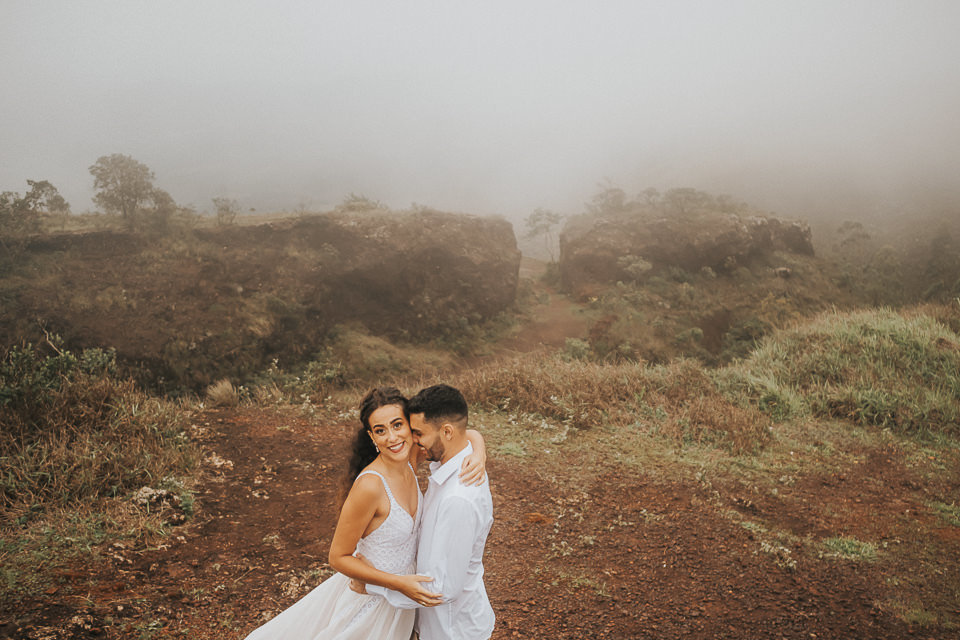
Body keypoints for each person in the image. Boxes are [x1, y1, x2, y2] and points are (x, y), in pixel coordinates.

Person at [243, 386, 486, 640]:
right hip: (372, 603)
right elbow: (338, 557)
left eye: (397, 425)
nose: (392, 438)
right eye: (380, 431)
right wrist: (397, 584)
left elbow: (459, 432)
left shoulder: (410, 457)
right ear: (372, 437)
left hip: (403, 603)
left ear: (411, 428)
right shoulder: (370, 486)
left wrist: (479, 451)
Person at [362, 384, 495, 640]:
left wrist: (373, 586)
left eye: (418, 433)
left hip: (451, 630)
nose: (413, 440)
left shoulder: (458, 498)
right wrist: (479, 448)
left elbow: (441, 589)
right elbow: (469, 433)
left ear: (447, 432)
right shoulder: (461, 461)